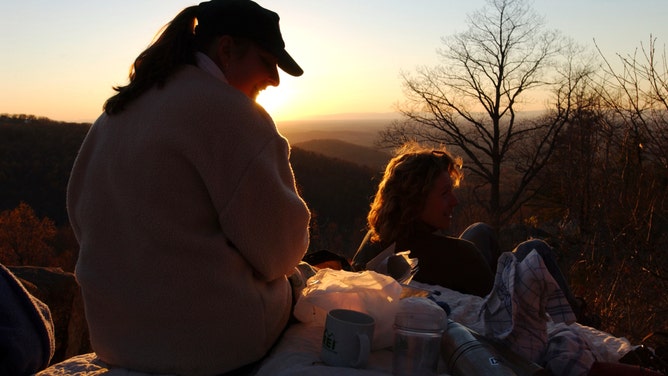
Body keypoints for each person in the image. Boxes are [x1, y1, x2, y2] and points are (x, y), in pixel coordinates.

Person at [66, 1, 310, 374]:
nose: (275, 79)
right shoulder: (233, 115)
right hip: (206, 345)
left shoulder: (116, 112)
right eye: (267, 60)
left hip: (114, 337)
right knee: (300, 281)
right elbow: (280, 253)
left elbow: (82, 216)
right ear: (226, 49)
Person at [352, 142, 580, 312]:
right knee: (535, 249)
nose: (454, 201)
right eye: (444, 194)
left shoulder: (374, 241)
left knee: (480, 230)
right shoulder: (461, 256)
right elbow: (497, 308)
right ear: (415, 201)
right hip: (487, 301)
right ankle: (579, 318)